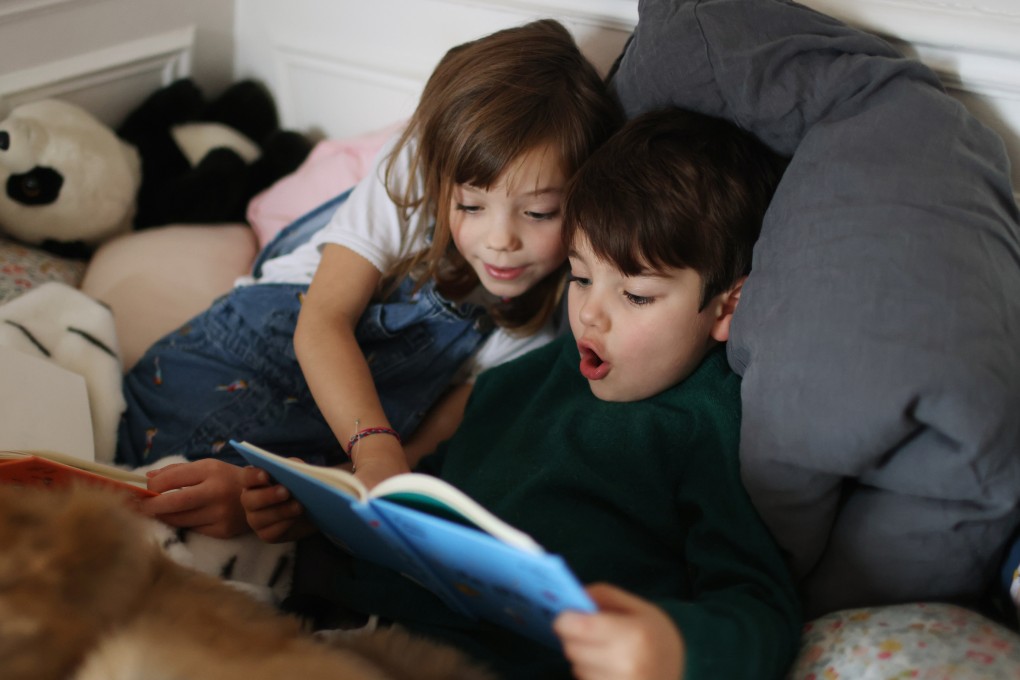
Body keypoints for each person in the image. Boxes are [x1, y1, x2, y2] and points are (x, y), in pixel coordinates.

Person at [240, 108, 800, 680]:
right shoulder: (520, 382)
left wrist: (675, 648)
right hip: (366, 626)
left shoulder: (707, 422)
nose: (589, 315)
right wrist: (311, 512)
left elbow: (761, 608)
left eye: (636, 296)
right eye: (581, 277)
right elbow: (424, 498)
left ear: (726, 307)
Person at [116, 19, 621, 538]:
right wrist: (374, 448)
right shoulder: (410, 171)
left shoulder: (539, 331)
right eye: (470, 204)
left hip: (325, 445)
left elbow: (421, 450)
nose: (499, 240)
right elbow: (323, 322)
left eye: (538, 214)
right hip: (235, 362)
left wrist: (309, 499)